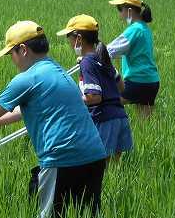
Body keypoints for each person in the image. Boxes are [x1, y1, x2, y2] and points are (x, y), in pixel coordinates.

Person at [0, 21, 107, 218]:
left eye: (11, 54)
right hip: (94, 154)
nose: (12, 60)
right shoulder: (55, 70)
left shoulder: (28, 78)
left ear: (22, 50)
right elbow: (22, 111)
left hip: (63, 158)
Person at [57, 14, 133, 161]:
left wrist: (71, 99)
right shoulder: (103, 59)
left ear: (79, 39)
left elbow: (94, 97)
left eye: (69, 37)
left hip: (104, 120)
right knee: (114, 167)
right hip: (119, 117)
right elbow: (121, 87)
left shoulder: (87, 63)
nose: (69, 42)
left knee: (100, 165)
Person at [107, 0, 160, 118]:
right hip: (152, 82)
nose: (119, 14)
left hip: (137, 81)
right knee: (146, 123)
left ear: (129, 11)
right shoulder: (144, 28)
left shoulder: (134, 30)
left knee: (107, 104)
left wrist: (90, 56)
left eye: (120, 9)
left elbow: (109, 50)